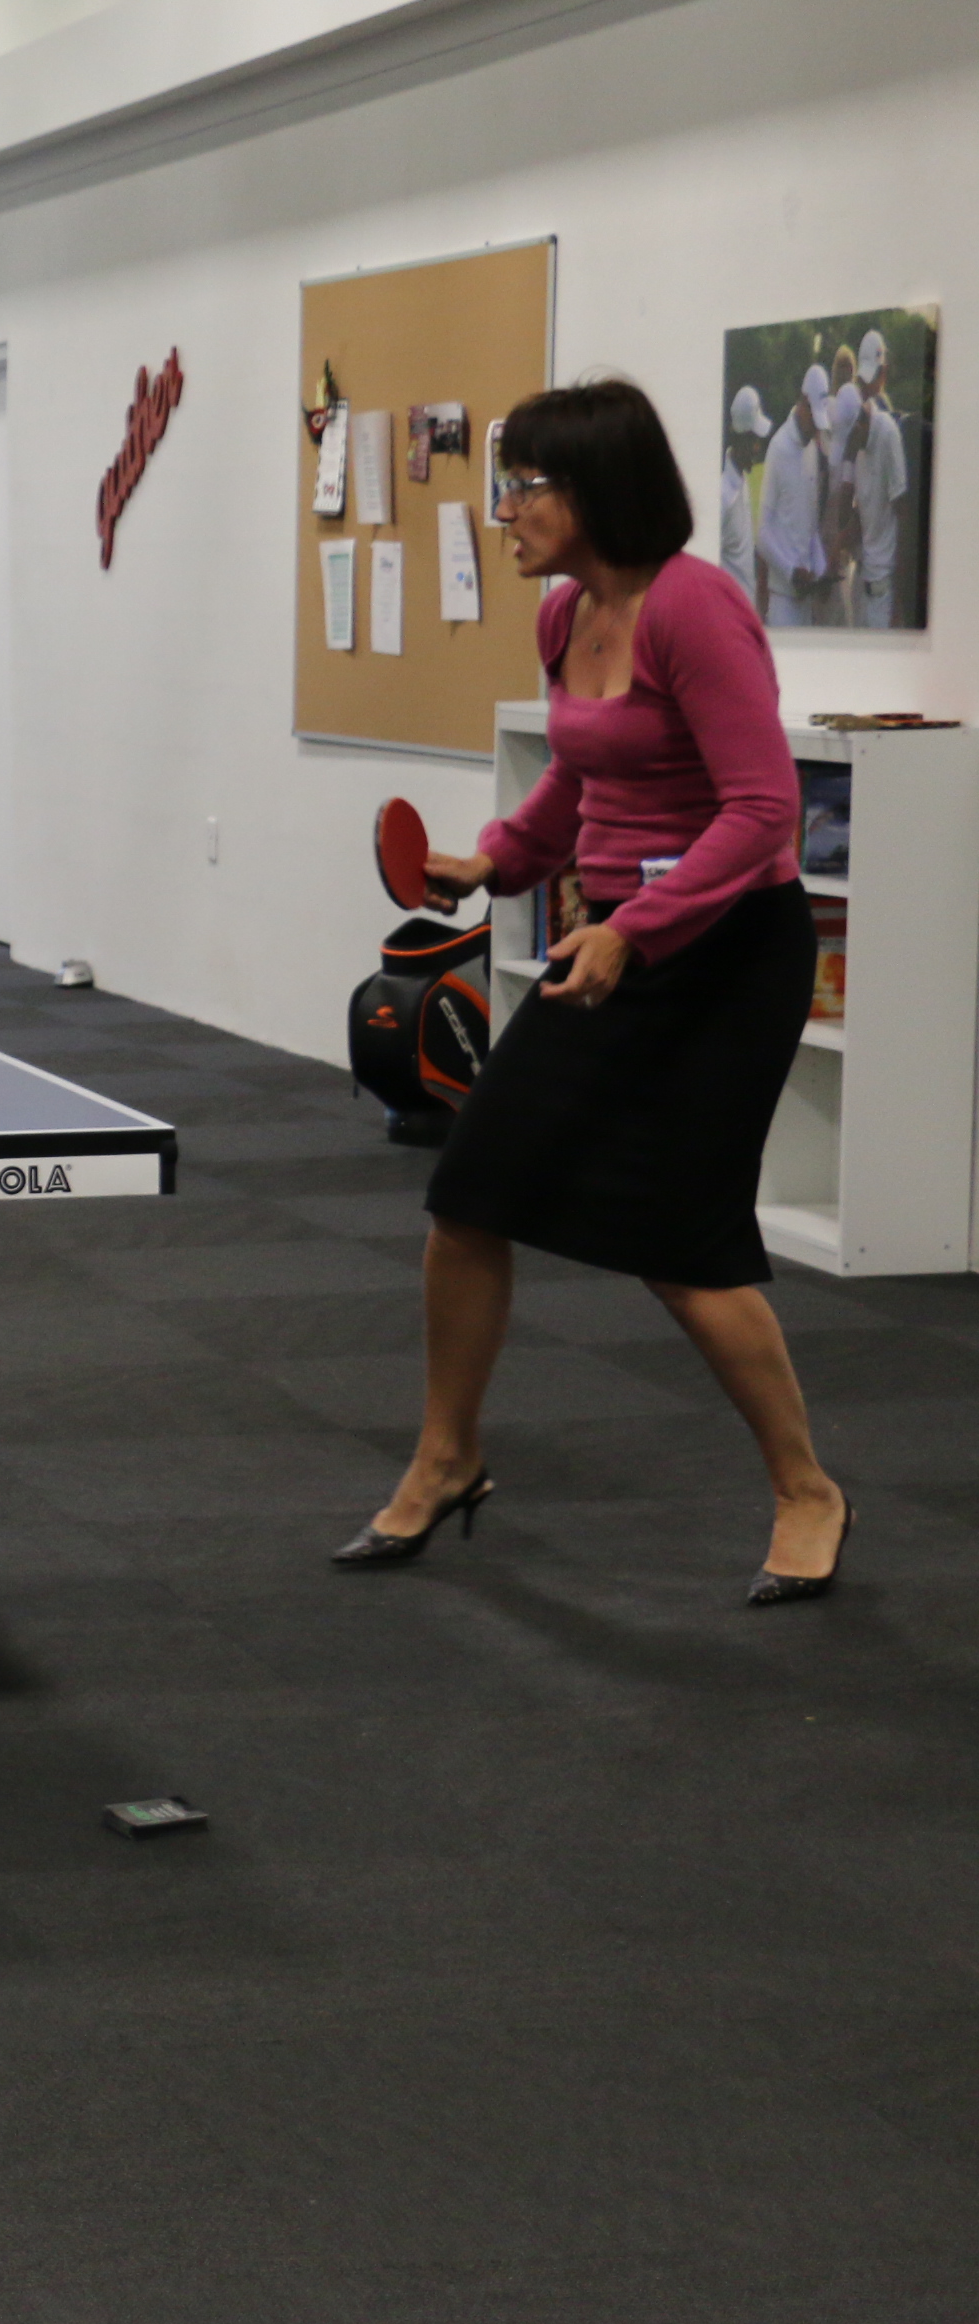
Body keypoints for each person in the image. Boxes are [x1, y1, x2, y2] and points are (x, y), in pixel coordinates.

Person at [337, 379, 847, 1603]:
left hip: (727, 954)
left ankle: (806, 1489)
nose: (503, 509)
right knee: (469, 1196)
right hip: (611, 945)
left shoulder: (696, 610)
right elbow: (580, 777)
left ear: (593, 490)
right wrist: (499, 859)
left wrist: (637, 931)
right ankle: (448, 1458)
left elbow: (763, 810)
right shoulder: (566, 612)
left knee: (685, 1247)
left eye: (522, 486)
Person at [754, 364, 832, 626]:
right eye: (814, 420)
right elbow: (762, 533)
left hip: (806, 601)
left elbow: (810, 530)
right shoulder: (778, 448)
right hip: (783, 602)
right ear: (802, 402)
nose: (816, 430)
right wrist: (791, 572)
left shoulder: (812, 449)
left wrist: (822, 571)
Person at [846, 328, 911, 629]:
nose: (867, 387)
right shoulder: (855, 427)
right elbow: (863, 510)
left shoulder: (887, 433)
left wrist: (898, 603)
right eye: (862, 381)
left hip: (883, 595)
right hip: (861, 585)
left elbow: (902, 515)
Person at [720, 383, 772, 612]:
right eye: (753, 440)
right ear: (740, 439)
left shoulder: (742, 482)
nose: (757, 448)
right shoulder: (722, 496)